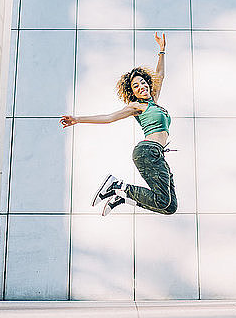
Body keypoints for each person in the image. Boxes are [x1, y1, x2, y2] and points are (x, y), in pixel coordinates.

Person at [60, 32, 177, 216]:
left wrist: (161, 50)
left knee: (169, 206)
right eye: (136, 87)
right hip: (148, 152)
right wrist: (78, 119)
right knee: (162, 199)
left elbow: (160, 76)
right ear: (133, 94)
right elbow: (109, 117)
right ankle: (117, 186)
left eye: (143, 83)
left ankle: (123, 197)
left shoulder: (153, 100)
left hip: (158, 153)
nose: (142, 87)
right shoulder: (136, 106)